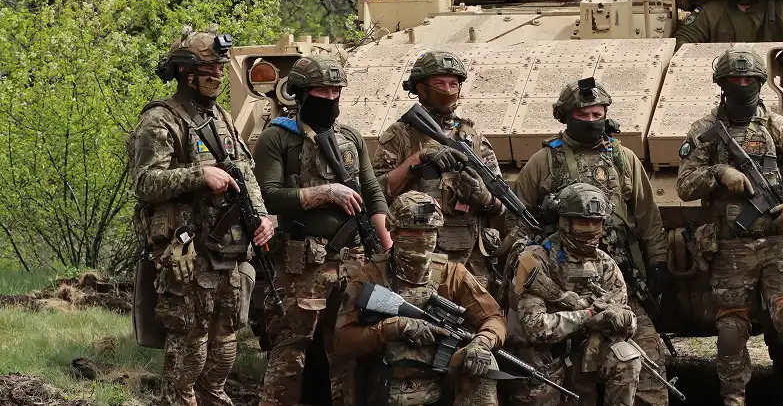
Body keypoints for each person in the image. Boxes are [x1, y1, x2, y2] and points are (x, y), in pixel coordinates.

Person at [128, 25, 276, 406]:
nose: (216, 76)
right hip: (187, 252)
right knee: (190, 342)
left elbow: (245, 171)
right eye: (208, 70)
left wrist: (261, 216)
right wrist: (199, 174)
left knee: (225, 340)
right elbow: (145, 182)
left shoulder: (221, 117)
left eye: (220, 69)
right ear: (185, 72)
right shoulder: (161, 120)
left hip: (227, 251)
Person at [676, 48, 783, 406]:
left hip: (777, 244)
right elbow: (685, 185)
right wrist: (718, 173)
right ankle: (733, 399)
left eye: (749, 80)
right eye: (734, 79)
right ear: (721, 84)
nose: (742, 85)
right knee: (731, 332)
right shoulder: (705, 131)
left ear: (761, 82)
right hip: (731, 248)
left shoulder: (780, 127)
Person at [504, 79, 669, 406]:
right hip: (558, 282)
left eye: (598, 114)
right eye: (583, 114)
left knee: (646, 360)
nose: (592, 120)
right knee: (551, 373)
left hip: (617, 279)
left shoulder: (623, 159)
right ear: (567, 116)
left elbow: (648, 217)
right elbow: (514, 219)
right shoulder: (544, 161)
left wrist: (658, 261)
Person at [254, 54, 393, 406]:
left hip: (354, 261)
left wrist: (386, 243)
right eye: (322, 92)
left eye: (336, 92)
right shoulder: (277, 138)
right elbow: (269, 195)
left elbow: (372, 190)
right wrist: (325, 193)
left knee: (347, 350)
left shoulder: (350, 138)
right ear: (301, 94)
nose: (330, 99)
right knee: (290, 354)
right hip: (303, 265)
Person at [325, 191, 505, 406]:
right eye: (412, 231)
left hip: (440, 384)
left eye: (429, 231)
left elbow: (494, 318)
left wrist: (482, 342)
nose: (422, 238)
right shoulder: (370, 277)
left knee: (483, 362)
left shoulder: (452, 274)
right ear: (394, 232)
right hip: (382, 384)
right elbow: (341, 341)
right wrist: (395, 327)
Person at [373, 51, 505, 288]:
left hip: (471, 264)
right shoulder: (400, 135)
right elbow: (377, 193)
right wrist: (419, 158)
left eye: (453, 84)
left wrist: (483, 197)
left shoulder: (473, 139)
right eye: (439, 84)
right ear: (421, 89)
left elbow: (501, 205)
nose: (447, 90)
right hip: (417, 260)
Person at [509, 183, 643, 406]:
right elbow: (536, 329)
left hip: (583, 356)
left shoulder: (605, 264)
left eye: (596, 222)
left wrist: (623, 319)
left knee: (626, 357)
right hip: (541, 358)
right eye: (582, 222)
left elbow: (626, 320)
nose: (590, 229)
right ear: (565, 222)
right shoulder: (535, 261)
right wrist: (588, 315)